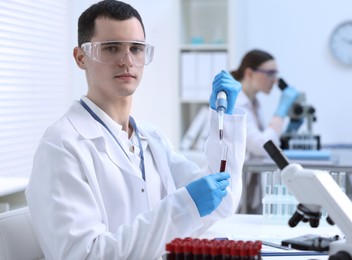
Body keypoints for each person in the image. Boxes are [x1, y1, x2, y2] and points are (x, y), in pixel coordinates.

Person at [25, 1, 246, 259]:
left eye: (136, 49)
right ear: (80, 57)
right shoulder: (62, 146)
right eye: (111, 48)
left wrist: (224, 123)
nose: (127, 61)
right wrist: (184, 206)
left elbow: (219, 202)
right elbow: (85, 255)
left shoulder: (150, 138)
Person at [231, 49, 299, 214]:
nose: (275, 80)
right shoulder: (236, 104)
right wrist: (280, 113)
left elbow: (267, 139)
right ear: (249, 73)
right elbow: (261, 146)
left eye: (276, 74)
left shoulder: (254, 103)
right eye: (270, 73)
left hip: (250, 185)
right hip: (233, 184)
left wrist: (290, 130)